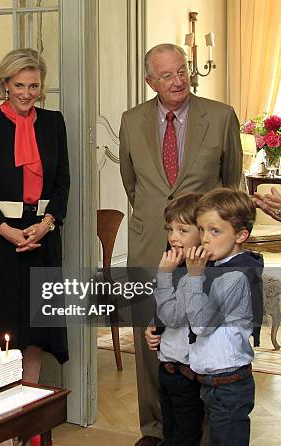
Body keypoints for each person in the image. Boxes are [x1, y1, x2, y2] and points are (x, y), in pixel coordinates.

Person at [118, 43, 242, 446]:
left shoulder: (221, 116)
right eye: (167, 75)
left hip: (203, 247)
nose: (177, 81)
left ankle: (203, 432)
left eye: (182, 71)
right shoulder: (131, 120)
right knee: (151, 333)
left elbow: (230, 183)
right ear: (150, 81)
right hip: (149, 243)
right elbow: (132, 184)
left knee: (200, 332)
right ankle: (154, 429)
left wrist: (207, 234)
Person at [0, 48, 70, 387]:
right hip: (0, 242)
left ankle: (31, 414)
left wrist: (46, 225)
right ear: (5, 85)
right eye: (19, 85)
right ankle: (4, 411)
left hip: (43, 238)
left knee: (37, 330)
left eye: (34, 86)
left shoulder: (54, 122)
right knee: (2, 328)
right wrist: (8, 231)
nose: (27, 93)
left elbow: (62, 184)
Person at [184, 188, 261, 446]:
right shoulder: (217, 267)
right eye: (201, 229)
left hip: (229, 386)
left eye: (215, 231)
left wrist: (194, 277)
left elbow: (200, 324)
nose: (204, 239)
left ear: (241, 235)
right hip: (212, 383)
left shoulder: (236, 275)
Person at [150, 193, 205, 446]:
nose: (173, 237)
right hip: (167, 367)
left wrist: (164, 276)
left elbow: (178, 315)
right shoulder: (174, 265)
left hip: (186, 374)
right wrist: (153, 329)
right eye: (170, 229)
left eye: (183, 230)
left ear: (202, 232)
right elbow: (163, 311)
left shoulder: (198, 273)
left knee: (186, 435)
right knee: (169, 431)